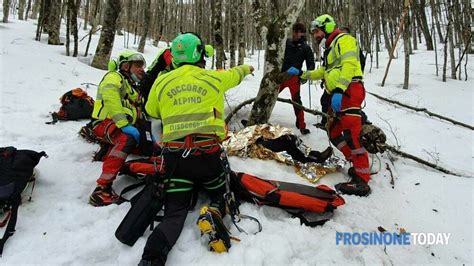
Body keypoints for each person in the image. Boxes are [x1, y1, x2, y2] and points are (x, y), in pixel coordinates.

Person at [140, 32, 254, 265]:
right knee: (223, 192)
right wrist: (248, 68)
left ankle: (152, 258)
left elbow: (152, 113)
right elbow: (236, 74)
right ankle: (213, 211)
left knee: (173, 215)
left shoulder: (161, 81)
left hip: (175, 162)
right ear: (200, 54)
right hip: (207, 158)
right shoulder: (213, 77)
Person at [287, 14, 371, 197]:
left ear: (327, 27)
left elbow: (350, 65)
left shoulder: (345, 40)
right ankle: (356, 164)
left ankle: (362, 181)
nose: (315, 35)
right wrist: (302, 74)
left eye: (317, 31)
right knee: (333, 131)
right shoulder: (330, 47)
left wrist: (340, 89)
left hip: (349, 91)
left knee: (352, 136)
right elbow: (323, 72)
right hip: (338, 94)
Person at [88, 50, 146, 207]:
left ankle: (108, 153)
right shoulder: (114, 77)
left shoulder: (131, 87)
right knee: (127, 138)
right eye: (138, 65)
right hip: (104, 123)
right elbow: (111, 96)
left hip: (119, 125)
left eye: (143, 65)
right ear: (126, 66)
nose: (142, 69)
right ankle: (102, 188)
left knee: (145, 145)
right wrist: (123, 124)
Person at [281, 22, 315, 135]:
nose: (299, 35)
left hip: (294, 78)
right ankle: (258, 118)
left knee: (296, 100)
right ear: (293, 32)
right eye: (297, 32)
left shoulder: (306, 47)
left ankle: (302, 126)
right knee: (269, 95)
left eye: (302, 33)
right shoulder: (286, 42)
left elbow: (311, 64)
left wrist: (305, 75)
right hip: (280, 76)